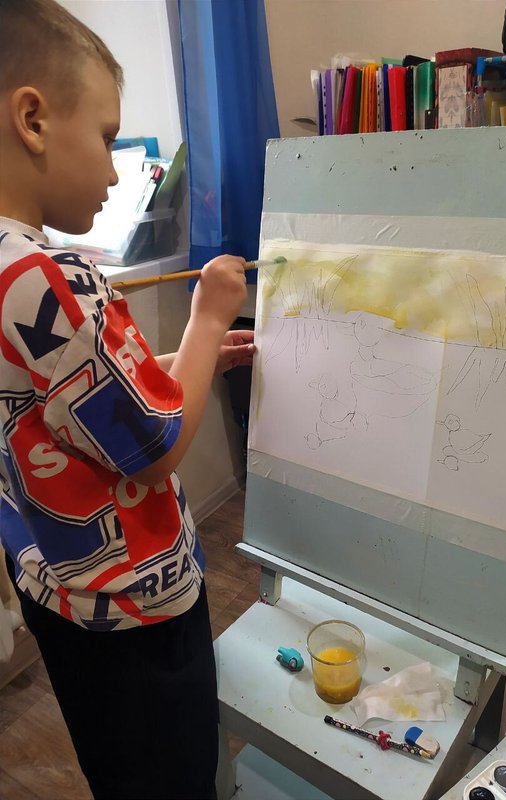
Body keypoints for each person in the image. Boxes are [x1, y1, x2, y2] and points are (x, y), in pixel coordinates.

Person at [0, 1, 254, 797]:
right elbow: (157, 442)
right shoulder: (49, 276)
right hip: (134, 606)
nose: (115, 171)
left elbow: (64, 401)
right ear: (33, 120)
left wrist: (179, 362)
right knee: (171, 775)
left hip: (53, 585)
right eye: (108, 137)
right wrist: (208, 320)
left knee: (118, 769)